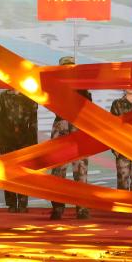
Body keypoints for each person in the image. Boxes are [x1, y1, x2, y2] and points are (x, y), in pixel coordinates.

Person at [50, 56, 91, 220]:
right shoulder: (54, 86)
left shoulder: (84, 87)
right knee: (58, 171)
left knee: (80, 170)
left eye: (71, 68)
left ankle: (82, 208)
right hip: (61, 127)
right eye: (65, 68)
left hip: (79, 129)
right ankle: (58, 208)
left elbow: (88, 109)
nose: (68, 70)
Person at [0, 87, 38, 212]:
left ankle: (23, 203)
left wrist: (33, 142)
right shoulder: (3, 96)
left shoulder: (29, 96)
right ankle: (12, 204)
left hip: (25, 139)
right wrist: (0, 141)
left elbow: (33, 120)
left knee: (24, 172)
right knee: (8, 171)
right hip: (7, 138)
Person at [110, 89, 132, 192]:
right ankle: (123, 203)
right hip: (122, 149)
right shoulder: (117, 104)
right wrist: (114, 148)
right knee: (122, 184)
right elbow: (111, 127)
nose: (131, 87)